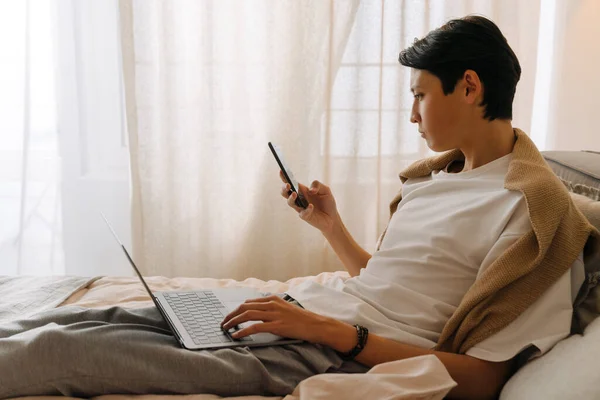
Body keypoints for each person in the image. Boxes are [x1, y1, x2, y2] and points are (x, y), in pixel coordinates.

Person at [1, 15, 596, 400]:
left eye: (420, 95)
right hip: (304, 315)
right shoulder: (441, 177)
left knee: (57, 353)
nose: (412, 114)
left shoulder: (535, 212)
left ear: (469, 87)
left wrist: (329, 332)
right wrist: (331, 228)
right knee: (86, 321)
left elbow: (481, 378)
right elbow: (393, 285)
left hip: (324, 351)